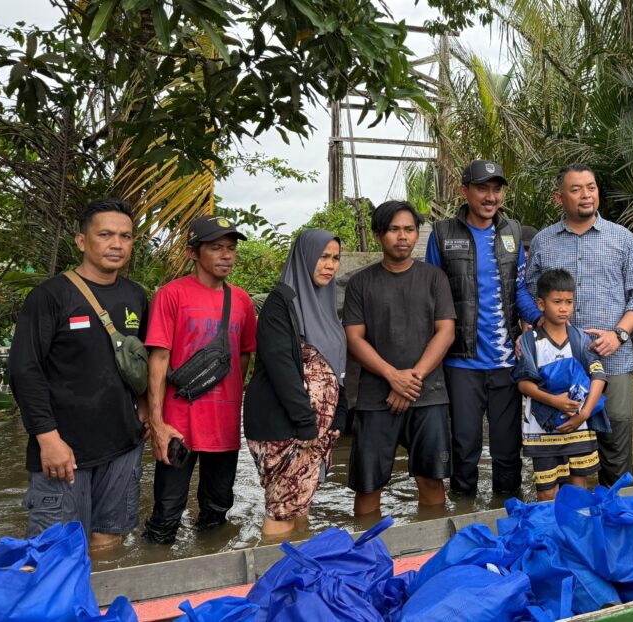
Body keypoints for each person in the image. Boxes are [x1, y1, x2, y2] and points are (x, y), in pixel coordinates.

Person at [9, 197, 148, 548]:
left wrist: (146, 410)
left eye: (125, 236)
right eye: (105, 234)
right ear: (82, 241)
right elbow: (25, 370)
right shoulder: (50, 296)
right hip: (64, 450)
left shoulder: (136, 296)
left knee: (109, 542)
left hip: (123, 444)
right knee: (54, 550)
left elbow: (143, 361)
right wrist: (47, 438)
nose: (117, 244)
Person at [526, 163, 633, 487]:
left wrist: (619, 334)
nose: (586, 195)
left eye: (591, 187)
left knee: (616, 434)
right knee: (563, 439)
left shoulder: (623, 238)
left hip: (613, 357)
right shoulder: (542, 241)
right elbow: (529, 293)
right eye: (576, 189)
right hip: (558, 363)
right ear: (559, 197)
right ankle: (573, 511)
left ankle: (618, 505)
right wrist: (539, 328)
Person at [425, 159, 542, 497]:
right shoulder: (443, 234)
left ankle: (507, 513)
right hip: (461, 362)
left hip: (506, 363)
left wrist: (540, 322)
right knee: (464, 449)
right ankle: (463, 514)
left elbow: (518, 289)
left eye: (496, 189)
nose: (491, 197)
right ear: (465, 191)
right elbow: (433, 294)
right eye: (482, 189)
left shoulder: (512, 232)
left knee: (508, 451)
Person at [142, 215, 257, 544]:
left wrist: (231, 400)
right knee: (167, 512)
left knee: (218, 510)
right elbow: (158, 359)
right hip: (178, 424)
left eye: (231, 248)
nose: (227, 255)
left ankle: (210, 565)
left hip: (224, 424)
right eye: (216, 248)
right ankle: (156, 568)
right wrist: (157, 423)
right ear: (193, 253)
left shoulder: (241, 301)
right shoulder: (171, 295)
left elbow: (244, 355)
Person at [343, 201, 457, 515]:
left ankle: (432, 543)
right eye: (394, 229)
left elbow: (446, 332)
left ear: (417, 234)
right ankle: (367, 543)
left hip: (428, 394)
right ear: (378, 235)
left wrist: (411, 380)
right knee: (368, 484)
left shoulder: (435, 279)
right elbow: (354, 338)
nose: (402, 236)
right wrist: (393, 376)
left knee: (431, 479)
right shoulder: (360, 283)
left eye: (409, 229)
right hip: (375, 398)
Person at [243, 229, 345, 538]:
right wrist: (305, 424)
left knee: (299, 507)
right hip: (286, 427)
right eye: (322, 257)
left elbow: (337, 365)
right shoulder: (280, 304)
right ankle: (272, 566)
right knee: (283, 510)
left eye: (335, 258)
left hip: (313, 430)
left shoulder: (325, 304)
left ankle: (297, 562)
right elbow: (281, 369)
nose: (330, 265)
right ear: (304, 257)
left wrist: (338, 416)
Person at [514, 269, 609, 500]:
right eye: (557, 302)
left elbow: (599, 377)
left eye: (569, 302)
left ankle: (573, 524)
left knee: (577, 488)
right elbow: (523, 384)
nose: (564, 308)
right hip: (542, 430)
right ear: (541, 304)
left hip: (579, 428)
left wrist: (584, 414)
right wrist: (555, 401)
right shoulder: (529, 341)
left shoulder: (580, 338)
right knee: (547, 492)